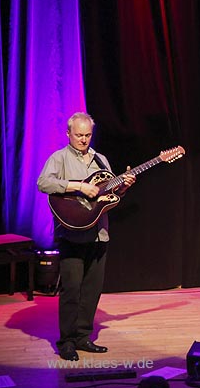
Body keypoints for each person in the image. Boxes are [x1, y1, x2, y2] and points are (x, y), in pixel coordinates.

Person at [37, 112, 135, 361]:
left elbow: (109, 197)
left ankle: (82, 337)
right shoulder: (58, 158)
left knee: (92, 289)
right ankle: (67, 340)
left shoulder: (100, 159)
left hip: (99, 233)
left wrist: (122, 186)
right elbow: (43, 183)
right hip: (72, 234)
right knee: (71, 290)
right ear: (68, 133)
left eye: (88, 135)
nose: (83, 139)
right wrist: (78, 186)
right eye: (79, 135)